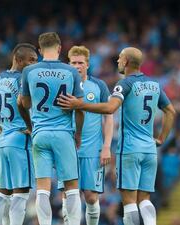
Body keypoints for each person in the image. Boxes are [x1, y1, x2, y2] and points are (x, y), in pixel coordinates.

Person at [57, 47, 176, 225]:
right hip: (150, 149)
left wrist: (79, 105)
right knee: (144, 199)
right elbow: (171, 111)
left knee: (129, 202)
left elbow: (110, 108)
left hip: (129, 149)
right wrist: (160, 138)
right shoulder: (155, 85)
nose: (118, 61)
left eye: (120, 58)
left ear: (126, 62)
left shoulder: (124, 84)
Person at [20, 32, 84, 225]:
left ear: (39, 51)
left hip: (40, 134)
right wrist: (78, 133)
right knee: (72, 186)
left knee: (42, 188)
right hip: (64, 133)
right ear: (59, 48)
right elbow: (79, 108)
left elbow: (24, 103)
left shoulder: (29, 72)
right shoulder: (70, 71)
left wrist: (31, 125)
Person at [0, 43, 38, 225]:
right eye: (31, 60)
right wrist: (31, 126)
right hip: (19, 139)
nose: (34, 64)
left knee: (3, 193)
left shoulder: (2, 79)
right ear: (19, 60)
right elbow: (22, 103)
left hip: (2, 141)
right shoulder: (23, 80)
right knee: (21, 192)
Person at [59, 46, 114, 225]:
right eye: (73, 62)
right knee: (68, 195)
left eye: (80, 63)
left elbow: (109, 116)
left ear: (87, 65)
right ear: (68, 64)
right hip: (68, 148)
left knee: (90, 197)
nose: (77, 66)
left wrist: (106, 146)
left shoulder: (99, 86)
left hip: (93, 149)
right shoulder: (62, 86)